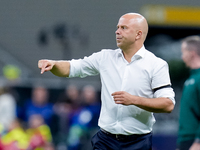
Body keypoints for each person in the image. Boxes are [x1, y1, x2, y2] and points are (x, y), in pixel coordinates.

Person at [38, 13, 175, 150]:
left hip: (138, 143)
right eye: (117, 27)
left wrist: (133, 100)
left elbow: (168, 104)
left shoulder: (156, 65)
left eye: (123, 28)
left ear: (138, 34)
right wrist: (54, 64)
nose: (117, 31)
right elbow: (72, 67)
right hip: (105, 141)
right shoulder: (105, 57)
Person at [177, 36, 200, 150]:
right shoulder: (192, 78)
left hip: (194, 140)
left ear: (192, 53)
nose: (182, 57)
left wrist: (198, 141)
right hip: (185, 140)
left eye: (183, 52)